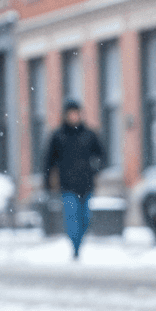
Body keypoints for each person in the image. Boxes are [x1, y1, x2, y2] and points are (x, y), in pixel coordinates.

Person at [44, 99, 104, 259]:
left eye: (76, 113)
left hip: (86, 184)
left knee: (85, 218)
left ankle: (79, 243)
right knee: (71, 218)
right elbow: (49, 161)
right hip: (67, 185)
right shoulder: (58, 136)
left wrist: (95, 169)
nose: (74, 116)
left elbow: (101, 155)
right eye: (71, 114)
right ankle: (75, 247)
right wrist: (47, 182)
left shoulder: (89, 135)